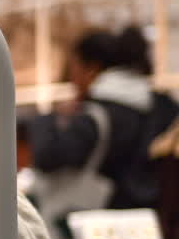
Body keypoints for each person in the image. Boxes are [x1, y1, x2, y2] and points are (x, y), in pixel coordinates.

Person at [27, 26, 176, 210]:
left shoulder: (95, 116)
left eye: (74, 68)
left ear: (92, 68)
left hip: (105, 224)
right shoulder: (164, 105)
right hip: (157, 223)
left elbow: (47, 156)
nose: (72, 78)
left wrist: (49, 117)